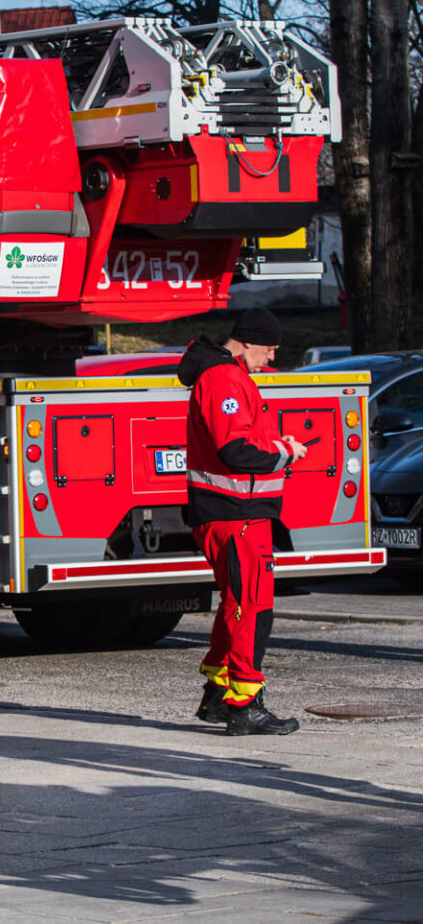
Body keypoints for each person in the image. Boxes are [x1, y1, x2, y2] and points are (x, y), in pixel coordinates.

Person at [176, 308, 307, 736]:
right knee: (251, 608)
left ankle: (218, 694)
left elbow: (241, 441)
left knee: (238, 603)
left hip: (236, 514)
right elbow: (235, 451)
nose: (270, 358)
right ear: (248, 341)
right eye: (269, 349)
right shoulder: (225, 379)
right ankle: (245, 704)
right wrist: (284, 454)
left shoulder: (225, 376)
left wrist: (275, 443)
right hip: (236, 515)